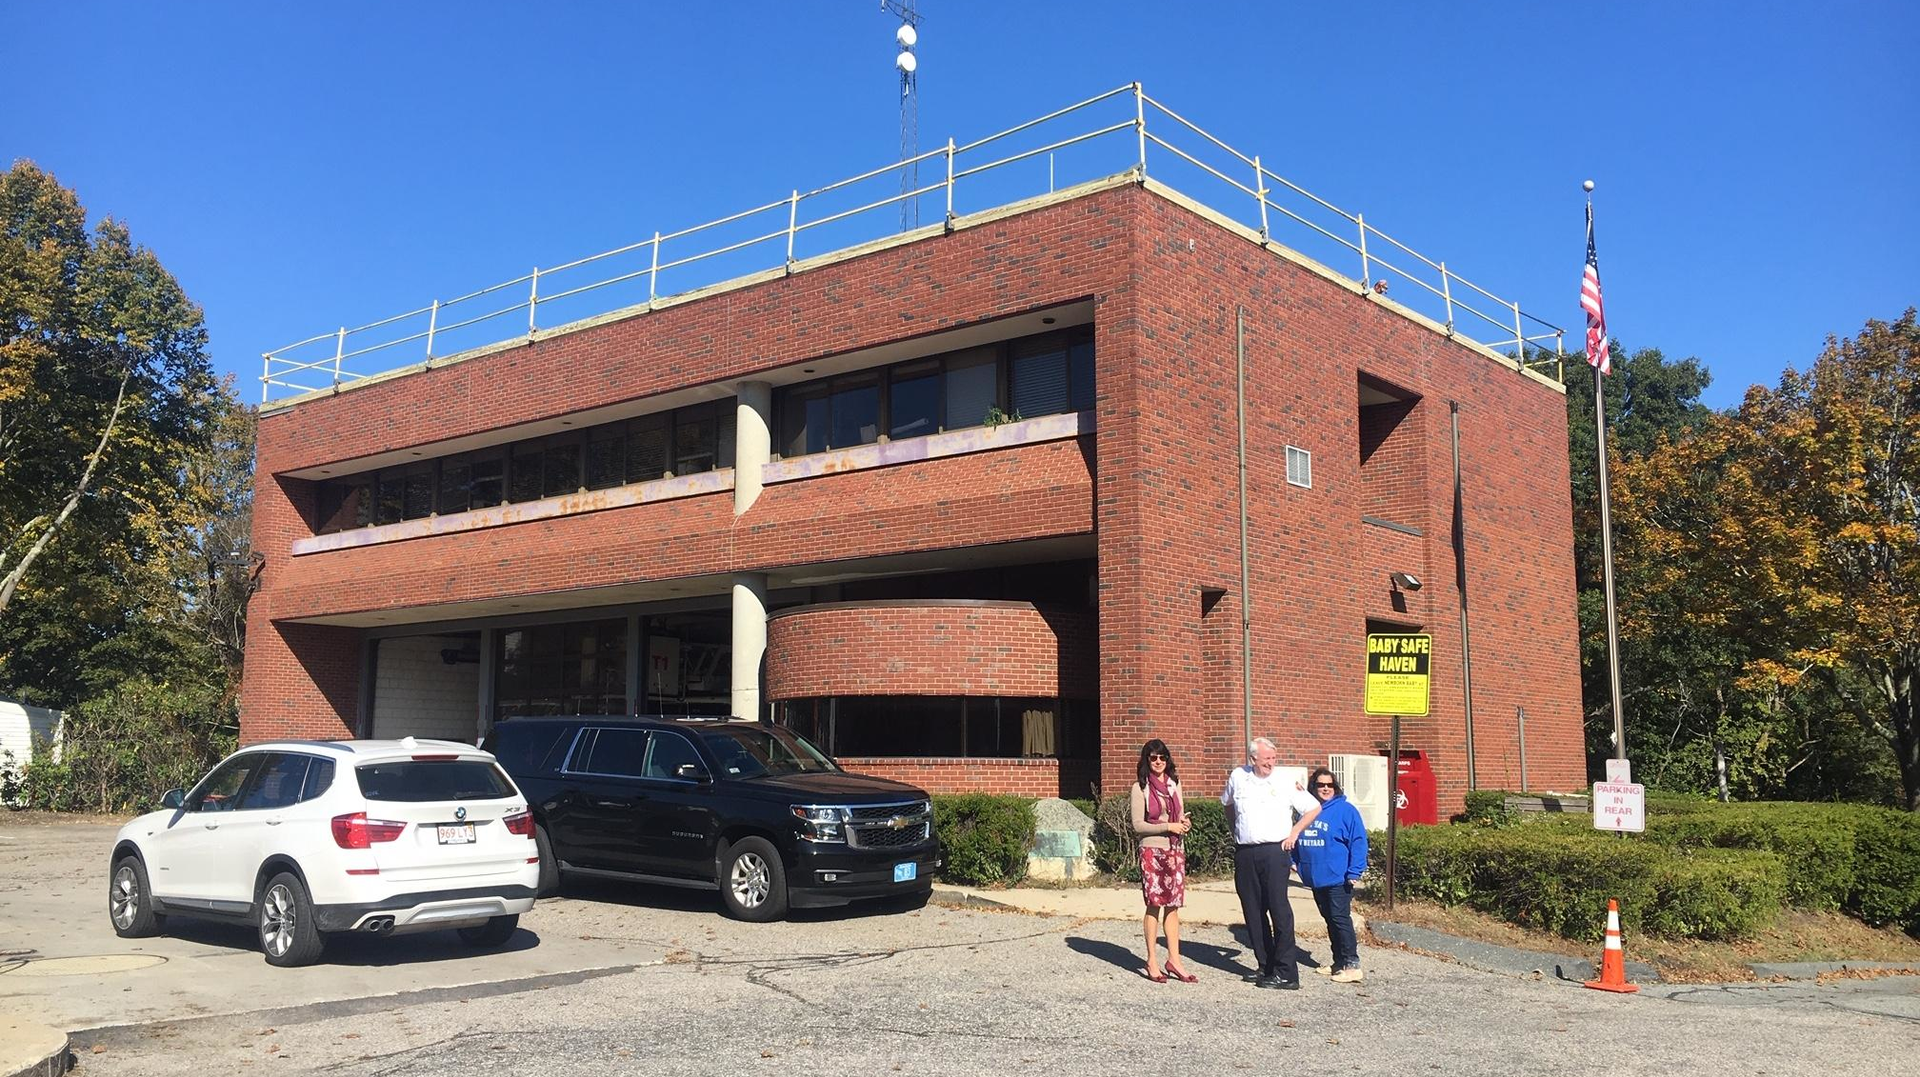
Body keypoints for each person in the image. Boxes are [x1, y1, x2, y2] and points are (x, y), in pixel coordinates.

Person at [1221, 737, 1321, 990]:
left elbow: (1313, 808)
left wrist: (1294, 833)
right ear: (1252, 758)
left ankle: (1287, 972)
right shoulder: (1238, 776)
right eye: (1266, 759)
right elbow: (1228, 805)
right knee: (1253, 911)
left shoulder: (1285, 781)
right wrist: (1236, 831)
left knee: (1279, 909)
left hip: (1275, 852)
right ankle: (1265, 965)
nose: (1271, 763)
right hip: (1246, 851)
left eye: (1273, 759)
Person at [1294, 766, 1369, 983]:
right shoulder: (1306, 810)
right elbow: (1296, 834)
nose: (1325, 788)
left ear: (1335, 787)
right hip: (1315, 877)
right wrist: (1294, 861)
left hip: (1338, 877)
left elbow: (1358, 841)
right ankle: (1339, 962)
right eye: (1320, 785)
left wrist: (1355, 870)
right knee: (1329, 919)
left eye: (1330, 785)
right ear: (1313, 787)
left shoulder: (1346, 810)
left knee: (1340, 919)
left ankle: (1352, 964)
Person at [1130, 739, 1196, 983]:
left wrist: (1184, 823)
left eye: (1162, 757)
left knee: (1174, 905)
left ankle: (1174, 960)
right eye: (1153, 758)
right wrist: (1169, 826)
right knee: (1154, 903)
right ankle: (1152, 960)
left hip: (1175, 849)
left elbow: (1179, 816)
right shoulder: (1140, 787)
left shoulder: (1174, 784)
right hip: (1152, 851)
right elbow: (1138, 825)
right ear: (1146, 760)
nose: (1158, 762)